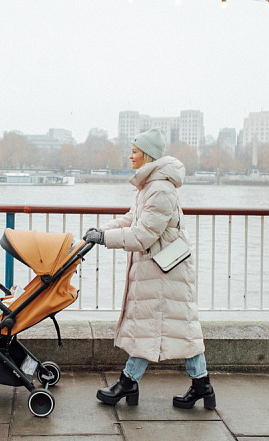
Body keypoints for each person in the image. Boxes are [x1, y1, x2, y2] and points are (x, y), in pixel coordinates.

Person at [84, 128, 215, 410]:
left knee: (157, 327)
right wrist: (101, 230)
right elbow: (132, 219)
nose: (130, 156)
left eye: (134, 151)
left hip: (163, 271)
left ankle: (128, 382)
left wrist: (104, 238)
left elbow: (142, 235)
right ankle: (201, 385)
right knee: (178, 327)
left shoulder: (160, 189)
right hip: (160, 269)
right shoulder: (151, 186)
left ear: (147, 155)